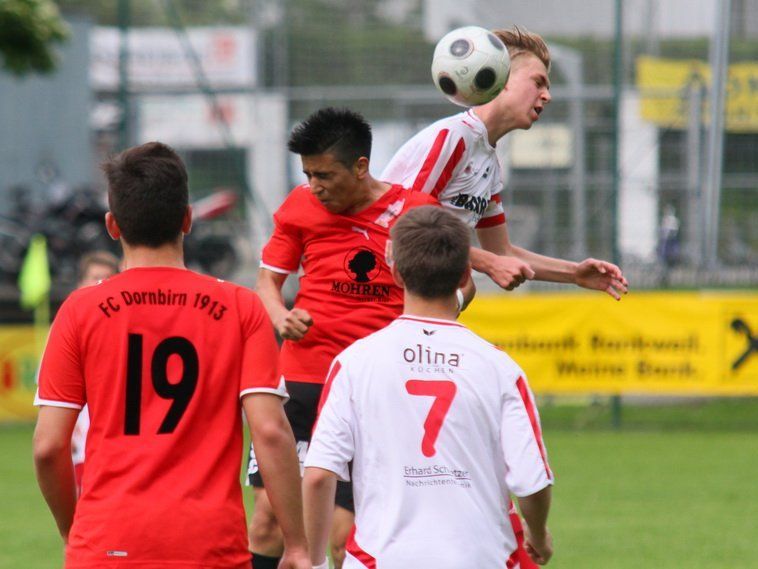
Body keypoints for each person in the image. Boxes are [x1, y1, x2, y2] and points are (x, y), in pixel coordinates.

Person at [32, 142, 310, 569]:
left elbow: (49, 446)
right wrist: (296, 545)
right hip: (208, 544)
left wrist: (75, 530)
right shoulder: (239, 307)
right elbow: (271, 432)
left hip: (107, 541)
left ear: (112, 225)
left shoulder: (79, 310)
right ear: (188, 219)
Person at [247, 107, 467, 569]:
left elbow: (463, 285)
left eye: (325, 174)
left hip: (373, 388)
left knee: (345, 536)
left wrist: (426, 304)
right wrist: (280, 315)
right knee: (270, 519)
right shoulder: (300, 207)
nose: (315, 186)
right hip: (303, 380)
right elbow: (267, 281)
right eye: (308, 175)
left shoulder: (416, 213)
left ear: (361, 166)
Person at [303, 206, 554, 568]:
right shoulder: (499, 367)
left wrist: (314, 562)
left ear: (395, 272)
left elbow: (318, 476)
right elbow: (531, 482)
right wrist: (539, 534)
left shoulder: (355, 363)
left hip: (381, 559)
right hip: (481, 558)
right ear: (466, 274)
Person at [382, 26, 628, 299]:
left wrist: (575, 274)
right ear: (503, 76)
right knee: (466, 289)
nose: (547, 95)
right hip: (375, 291)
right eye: (538, 82)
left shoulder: (489, 163)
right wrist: (487, 263)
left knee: (464, 290)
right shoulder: (456, 137)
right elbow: (401, 224)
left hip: (407, 299)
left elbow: (502, 252)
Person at [69, 250, 120, 496]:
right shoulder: (68, 331)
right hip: (86, 449)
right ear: (81, 283)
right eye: (95, 277)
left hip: (122, 449)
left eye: (107, 278)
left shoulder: (126, 332)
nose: (100, 284)